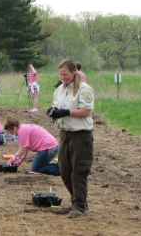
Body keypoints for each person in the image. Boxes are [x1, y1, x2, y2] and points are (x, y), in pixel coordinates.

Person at [47, 59, 95, 218]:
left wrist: (66, 112)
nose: (63, 77)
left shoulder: (84, 89)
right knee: (65, 170)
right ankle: (76, 200)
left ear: (74, 72)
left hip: (81, 135)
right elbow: (56, 105)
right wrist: (53, 111)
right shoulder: (60, 89)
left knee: (79, 171)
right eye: (61, 74)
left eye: (65, 74)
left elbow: (86, 111)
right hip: (65, 133)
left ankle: (80, 206)